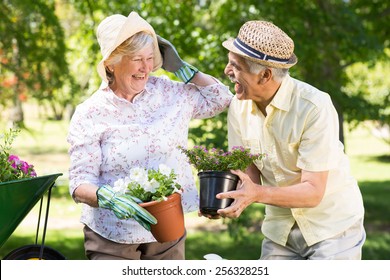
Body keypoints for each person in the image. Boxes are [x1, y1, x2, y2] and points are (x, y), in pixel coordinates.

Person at [67, 11, 232, 260]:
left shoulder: (170, 93)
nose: (146, 68)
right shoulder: (90, 113)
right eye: (137, 59)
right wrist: (108, 198)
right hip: (111, 235)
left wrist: (183, 69)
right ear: (111, 63)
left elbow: (221, 99)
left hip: (167, 231)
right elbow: (80, 183)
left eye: (150, 58)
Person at [216, 20, 366, 260]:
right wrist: (220, 196)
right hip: (280, 231)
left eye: (235, 66)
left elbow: (312, 192)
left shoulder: (313, 107)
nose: (227, 71)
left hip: (332, 229)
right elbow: (248, 176)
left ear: (265, 75)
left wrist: (255, 194)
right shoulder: (238, 108)